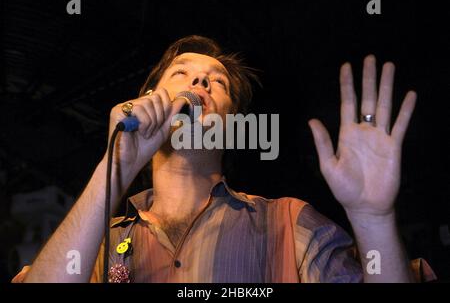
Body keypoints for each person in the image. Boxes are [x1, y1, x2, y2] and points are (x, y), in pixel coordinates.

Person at [13, 35, 434, 283]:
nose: (199, 80)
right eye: (181, 72)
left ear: (231, 123)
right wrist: (115, 166)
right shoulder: (95, 244)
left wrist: (373, 219)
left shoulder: (289, 224)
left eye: (218, 82)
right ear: (148, 101)